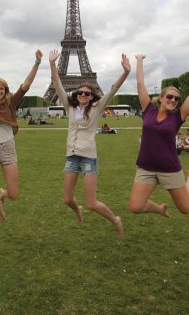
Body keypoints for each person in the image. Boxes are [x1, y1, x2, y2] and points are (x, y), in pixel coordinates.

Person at [48, 49, 130, 237]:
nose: (83, 95)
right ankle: (78, 209)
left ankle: (115, 220)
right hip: (72, 155)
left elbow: (112, 90)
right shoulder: (70, 107)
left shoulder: (96, 107)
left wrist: (125, 72)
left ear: (92, 96)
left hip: (87, 157)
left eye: (87, 93)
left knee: (92, 203)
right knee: (67, 199)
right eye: (80, 93)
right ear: (76, 95)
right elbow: (57, 84)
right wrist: (53, 64)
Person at [129, 54, 189, 218]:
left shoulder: (178, 116)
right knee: (135, 207)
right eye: (169, 96)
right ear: (161, 98)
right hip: (146, 167)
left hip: (169, 168)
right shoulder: (148, 110)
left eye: (176, 98)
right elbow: (140, 84)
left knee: (185, 209)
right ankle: (159, 209)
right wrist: (139, 60)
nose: (173, 100)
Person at [0, 41, 42, 222]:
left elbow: (26, 85)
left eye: (1, 88)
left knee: (13, 195)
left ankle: (3, 195)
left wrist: (37, 63)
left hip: (8, 147)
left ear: (5, 91)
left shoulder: (10, 103)